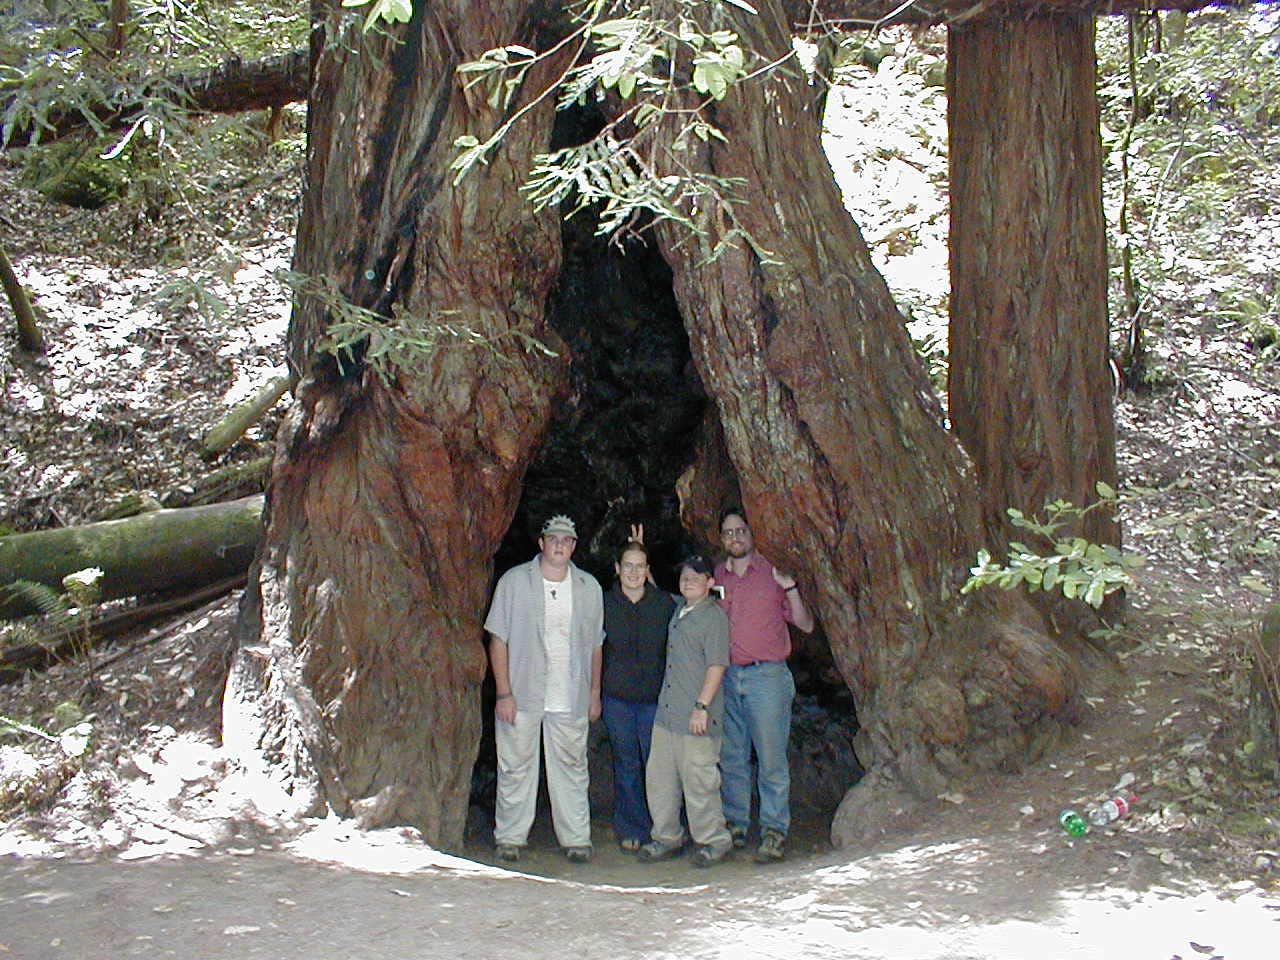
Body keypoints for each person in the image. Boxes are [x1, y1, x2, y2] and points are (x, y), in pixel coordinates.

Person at [485, 514, 604, 863]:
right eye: (553, 539)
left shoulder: (588, 587)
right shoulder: (515, 582)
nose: (559, 545)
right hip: (521, 692)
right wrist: (503, 692)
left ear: (574, 546)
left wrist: (594, 693)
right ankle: (510, 837)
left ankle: (576, 839)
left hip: (570, 694)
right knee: (515, 766)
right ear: (541, 543)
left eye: (566, 540)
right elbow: (498, 638)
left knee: (571, 767)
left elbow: (596, 645)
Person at [714, 506, 815, 864]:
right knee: (732, 756)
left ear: (752, 534)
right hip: (728, 675)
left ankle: (774, 830)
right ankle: (736, 823)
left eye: (741, 530)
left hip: (767, 676)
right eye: (729, 532)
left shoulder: (772, 572)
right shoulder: (717, 578)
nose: (735, 537)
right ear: (721, 539)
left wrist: (790, 588)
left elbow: (805, 625)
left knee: (771, 757)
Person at [637, 555, 733, 868]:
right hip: (667, 716)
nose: (688, 579)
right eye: (685, 575)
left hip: (696, 717)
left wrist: (702, 707)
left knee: (700, 782)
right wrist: (644, 564)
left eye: (696, 575)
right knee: (660, 781)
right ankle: (667, 837)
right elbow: (657, 593)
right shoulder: (680, 609)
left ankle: (713, 840)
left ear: (710, 582)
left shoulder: (714, 617)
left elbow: (717, 664)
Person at [602, 539, 674, 851]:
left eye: (639, 566)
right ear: (617, 569)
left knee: (656, 765)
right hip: (616, 698)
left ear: (648, 571)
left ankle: (663, 826)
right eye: (627, 566)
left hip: (653, 699)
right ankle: (632, 827)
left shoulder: (663, 605)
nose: (633, 572)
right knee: (626, 762)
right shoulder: (604, 603)